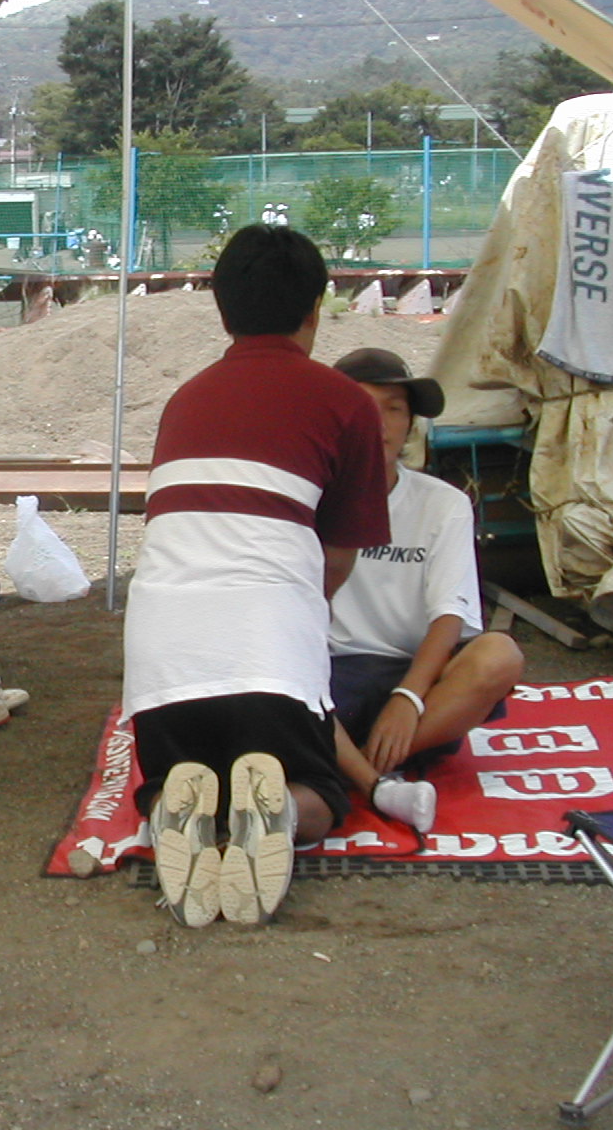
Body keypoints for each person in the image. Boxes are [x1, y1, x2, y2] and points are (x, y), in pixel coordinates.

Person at [123, 224, 391, 928]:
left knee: (176, 776)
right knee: (320, 793)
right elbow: (339, 555)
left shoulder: (186, 399)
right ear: (316, 308)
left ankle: (176, 805)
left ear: (222, 310)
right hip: (268, 645)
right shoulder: (345, 401)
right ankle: (279, 817)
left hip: (161, 652)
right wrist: (298, 618)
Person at [325, 348, 525, 834]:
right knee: (271, 681)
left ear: (411, 424)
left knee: (499, 655)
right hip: (328, 677)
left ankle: (347, 768)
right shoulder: (310, 497)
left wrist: (409, 698)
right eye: (362, 408)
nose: (379, 423)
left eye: (393, 408)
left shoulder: (443, 503)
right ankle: (375, 781)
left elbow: (450, 614)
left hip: (414, 680)